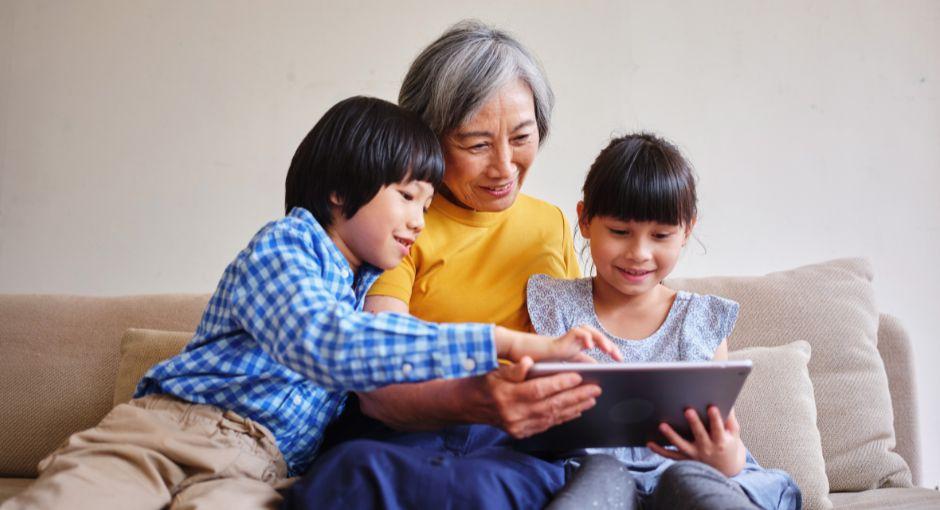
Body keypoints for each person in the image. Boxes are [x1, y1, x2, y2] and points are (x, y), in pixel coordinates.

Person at [1, 96, 619, 510]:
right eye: (407, 197)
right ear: (339, 190)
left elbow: (391, 383)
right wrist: (509, 341)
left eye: (427, 207)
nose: (417, 222)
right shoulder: (287, 245)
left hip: (258, 471)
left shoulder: (366, 288)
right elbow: (332, 345)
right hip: (168, 430)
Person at [283, 21, 614, 509]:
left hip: (520, 446)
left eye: (522, 136)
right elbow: (377, 377)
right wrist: (479, 400)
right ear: (427, 139)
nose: (504, 166)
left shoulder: (551, 223)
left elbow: (578, 351)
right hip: (410, 434)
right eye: (477, 145)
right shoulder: (398, 226)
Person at [526, 133, 803, 510]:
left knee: (685, 479)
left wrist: (724, 457)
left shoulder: (700, 321)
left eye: (660, 236)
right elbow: (531, 415)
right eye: (620, 232)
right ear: (585, 220)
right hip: (592, 473)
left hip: (688, 473)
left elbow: (730, 447)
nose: (638, 253)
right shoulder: (554, 306)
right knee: (601, 473)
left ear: (686, 230)